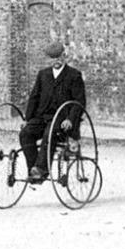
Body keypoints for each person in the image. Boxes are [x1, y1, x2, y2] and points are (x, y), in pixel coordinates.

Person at [19, 41, 87, 183]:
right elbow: (34, 98)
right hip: (43, 118)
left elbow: (79, 102)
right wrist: (27, 119)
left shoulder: (73, 76)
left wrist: (70, 119)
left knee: (49, 133)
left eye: (59, 57)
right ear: (48, 59)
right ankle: (34, 170)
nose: (56, 61)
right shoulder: (43, 75)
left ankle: (42, 169)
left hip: (63, 121)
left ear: (64, 56)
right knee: (25, 134)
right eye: (52, 58)